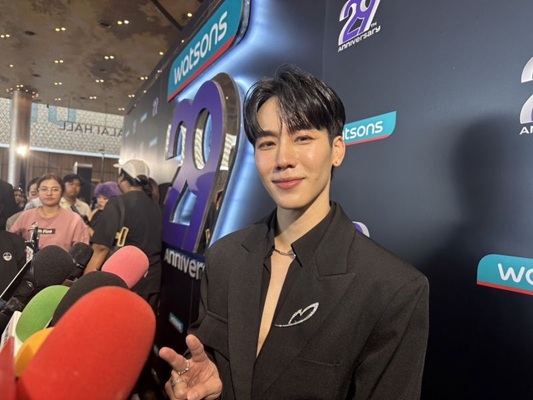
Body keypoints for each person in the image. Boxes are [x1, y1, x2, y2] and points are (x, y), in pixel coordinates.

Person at [159, 65, 429, 400]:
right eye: (267, 142)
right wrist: (200, 382)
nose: (283, 159)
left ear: (338, 149)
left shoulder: (392, 288)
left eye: (302, 138)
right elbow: (208, 354)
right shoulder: (224, 256)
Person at [85, 159, 162, 310]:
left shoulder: (118, 203)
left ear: (122, 178)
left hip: (124, 278)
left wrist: (85, 283)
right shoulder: (155, 205)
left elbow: (101, 248)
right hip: (151, 280)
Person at [9, 173, 90, 251]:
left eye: (55, 189)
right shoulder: (26, 216)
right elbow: (9, 242)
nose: (49, 193)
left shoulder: (74, 220)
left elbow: (81, 252)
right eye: (44, 189)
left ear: (62, 192)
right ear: (38, 192)